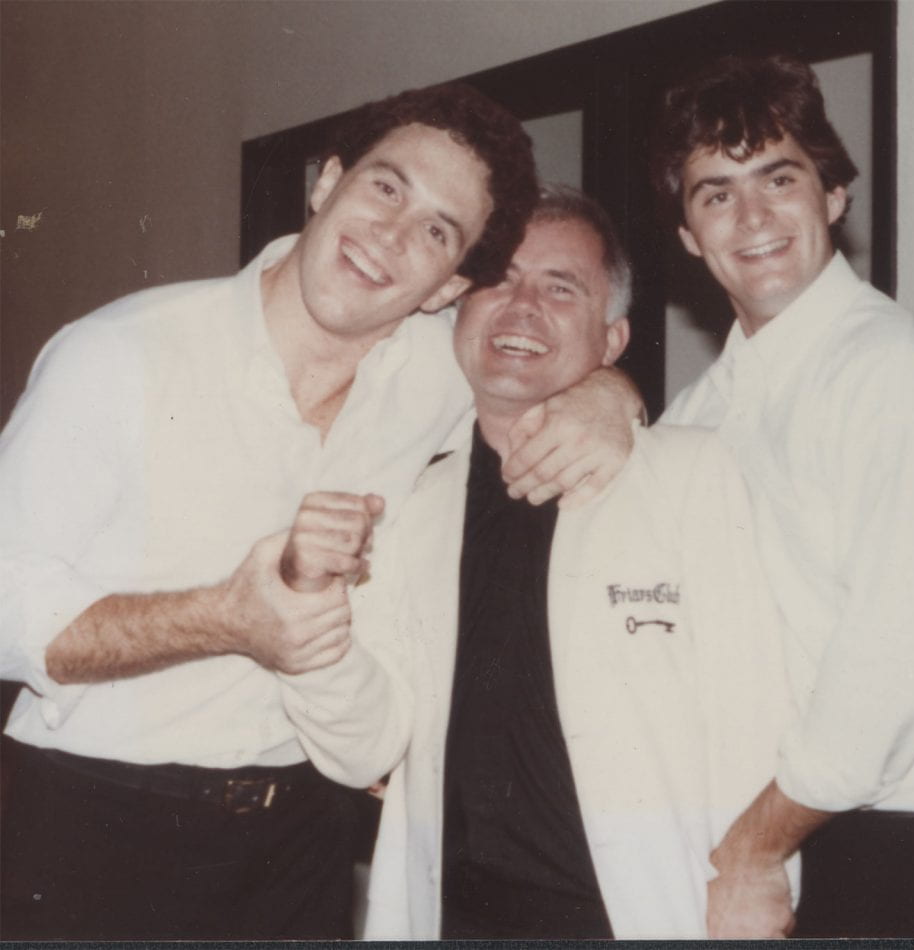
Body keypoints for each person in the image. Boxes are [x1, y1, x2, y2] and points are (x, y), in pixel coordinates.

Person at [0, 84, 641, 941]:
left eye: (437, 231)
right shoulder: (121, 354)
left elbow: (546, 368)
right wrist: (222, 619)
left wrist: (611, 392)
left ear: (447, 285)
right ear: (327, 180)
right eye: (385, 187)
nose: (392, 236)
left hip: (303, 842)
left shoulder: (437, 377)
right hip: (99, 813)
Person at [277, 187, 795, 939]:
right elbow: (367, 745)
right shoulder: (410, 504)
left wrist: (760, 878)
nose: (521, 307)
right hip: (457, 918)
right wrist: (308, 610)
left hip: (637, 914)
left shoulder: (690, 473)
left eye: (560, 287)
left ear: (612, 340)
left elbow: (755, 713)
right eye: (499, 279)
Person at [653, 54, 914, 939]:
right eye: (715, 194)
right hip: (803, 824)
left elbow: (896, 667)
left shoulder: (893, 374)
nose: (751, 216)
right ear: (688, 238)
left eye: (779, 179)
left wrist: (748, 851)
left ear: (834, 196)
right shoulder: (703, 408)